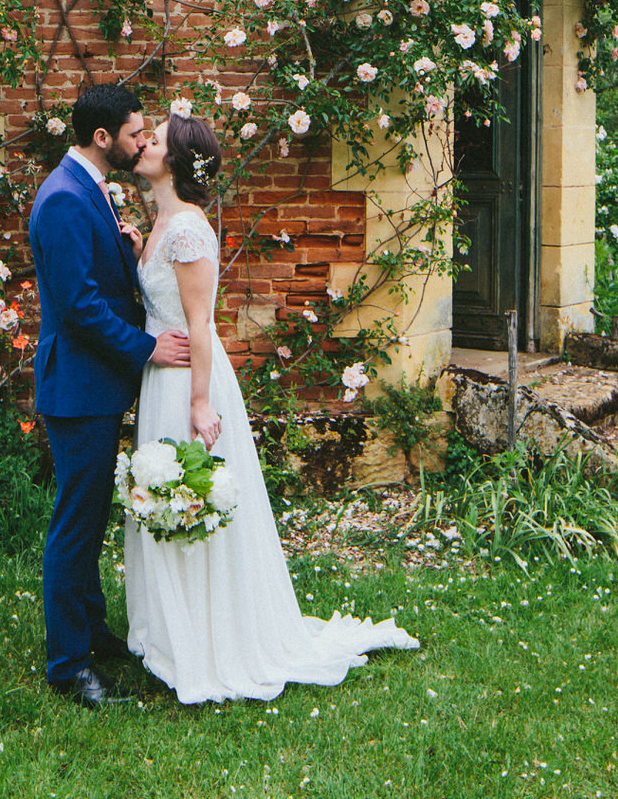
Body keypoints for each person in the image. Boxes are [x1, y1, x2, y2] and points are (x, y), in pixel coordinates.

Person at [124, 111, 418, 703]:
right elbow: (165, 301)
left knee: (191, 498)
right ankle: (177, 630)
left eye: (155, 139)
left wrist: (202, 404)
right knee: (164, 500)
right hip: (161, 377)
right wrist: (136, 251)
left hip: (188, 382)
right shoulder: (160, 226)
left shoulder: (188, 231)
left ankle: (212, 638)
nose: (144, 144)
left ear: (178, 161)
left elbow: (202, 323)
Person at [28, 83, 191, 709]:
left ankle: (92, 631)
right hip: (77, 388)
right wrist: (147, 349)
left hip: (92, 384)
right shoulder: (66, 198)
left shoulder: (88, 191)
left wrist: (125, 249)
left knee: (91, 515)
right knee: (75, 524)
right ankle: (69, 667)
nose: (143, 142)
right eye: (134, 134)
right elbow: (77, 308)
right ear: (104, 139)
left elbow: (96, 281)